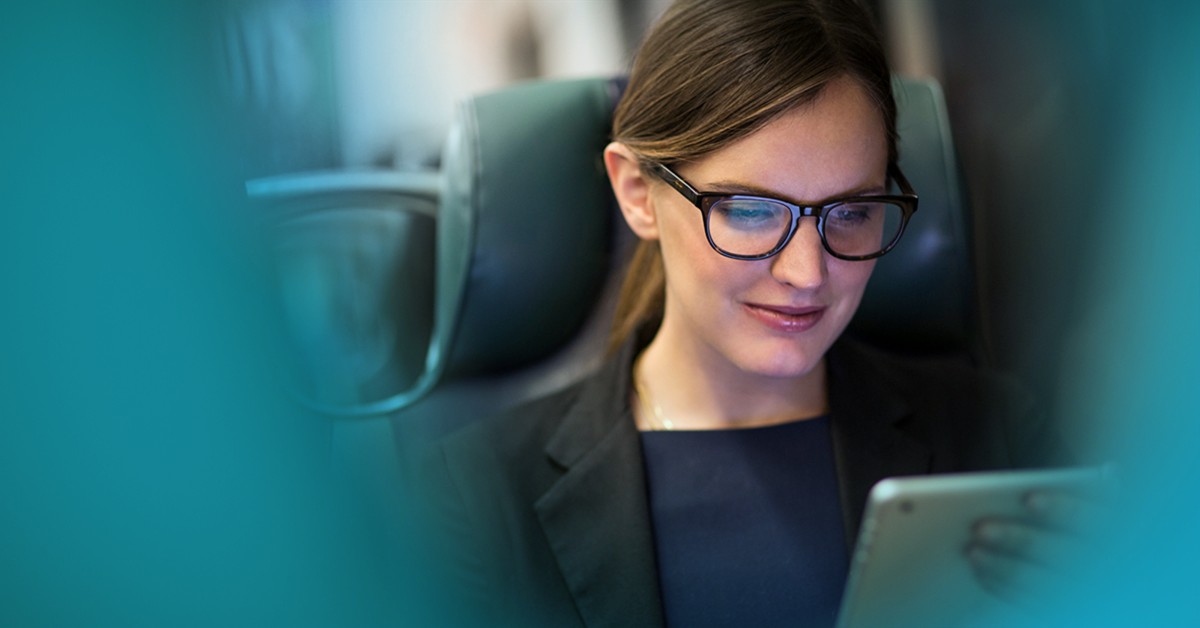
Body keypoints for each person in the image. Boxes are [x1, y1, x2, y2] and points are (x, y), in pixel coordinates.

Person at [416, 0, 1063, 626]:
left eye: (852, 213)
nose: (807, 273)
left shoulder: (997, 440)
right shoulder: (476, 498)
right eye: (752, 211)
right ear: (637, 193)